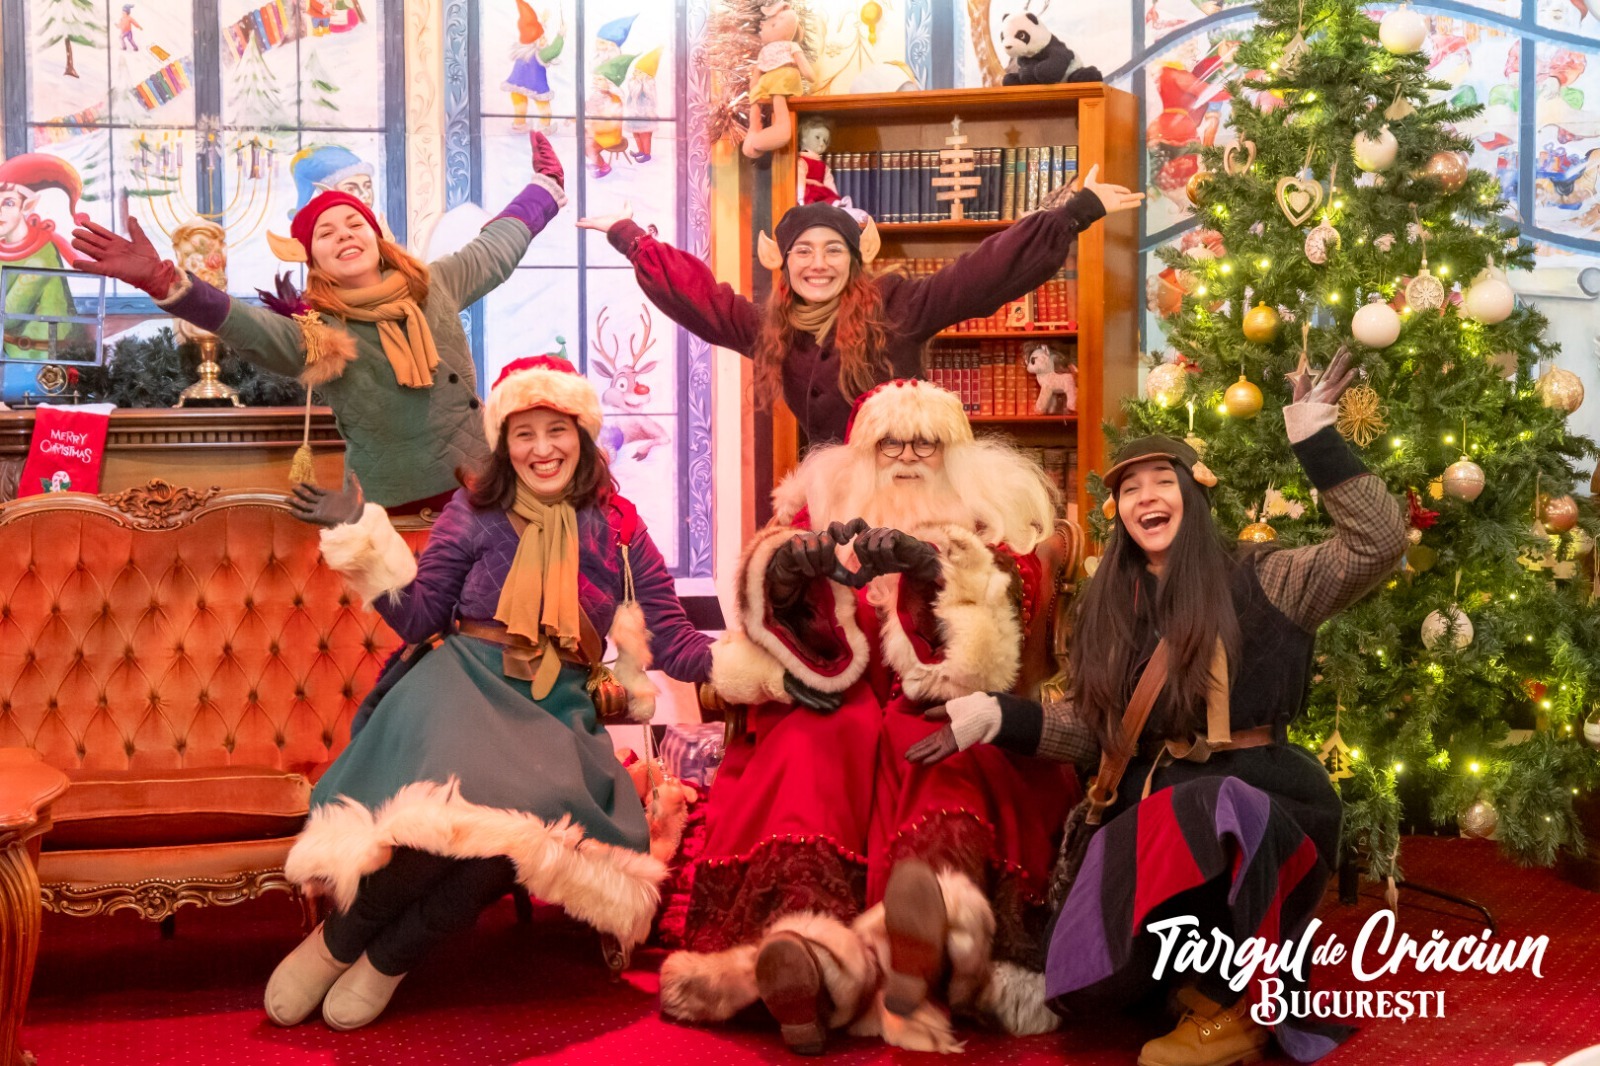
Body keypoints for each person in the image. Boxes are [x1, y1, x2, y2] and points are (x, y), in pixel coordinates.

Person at [919, 351, 1406, 1066]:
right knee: (1086, 976)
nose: (1145, 496)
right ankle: (1170, 981)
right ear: (1117, 510)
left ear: (1193, 494)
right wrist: (997, 716)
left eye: (1161, 480)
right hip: (1151, 810)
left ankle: (1240, 1008)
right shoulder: (1111, 606)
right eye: (1129, 487)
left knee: (1209, 804)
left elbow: (1379, 544)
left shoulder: (1268, 577)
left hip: (1263, 805)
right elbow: (1097, 732)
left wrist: (1315, 437)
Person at [262, 355, 714, 1031]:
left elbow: (673, 636)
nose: (541, 448)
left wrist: (751, 664)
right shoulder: (473, 512)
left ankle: (388, 956)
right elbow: (420, 616)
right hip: (464, 685)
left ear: (582, 434)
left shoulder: (620, 526)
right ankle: (338, 943)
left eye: (556, 430)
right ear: (504, 443)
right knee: (448, 825)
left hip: (554, 709)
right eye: (524, 433)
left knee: (516, 842)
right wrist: (360, 531)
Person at [660, 378, 1081, 1053]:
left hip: (944, 704)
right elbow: (766, 615)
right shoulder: (817, 518)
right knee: (809, 750)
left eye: (926, 444)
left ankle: (920, 946)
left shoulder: (991, 525)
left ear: (955, 454)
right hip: (839, 701)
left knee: (943, 768)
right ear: (864, 453)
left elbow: (1003, 635)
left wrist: (935, 572)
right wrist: (793, 575)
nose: (908, 457)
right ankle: (805, 952)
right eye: (891, 444)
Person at [70, 134, 569, 514]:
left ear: (376, 237)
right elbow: (247, 326)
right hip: (388, 514)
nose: (345, 235)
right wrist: (166, 281)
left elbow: (496, 247)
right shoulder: (317, 332)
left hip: (482, 495)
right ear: (314, 259)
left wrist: (544, 188)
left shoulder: (433, 285)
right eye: (326, 233)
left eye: (355, 225)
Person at [578, 169, 1140, 448]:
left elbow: (979, 274)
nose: (817, 264)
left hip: (912, 488)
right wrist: (631, 237)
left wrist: (1074, 213)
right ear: (784, 263)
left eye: (832, 251)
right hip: (831, 502)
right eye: (803, 252)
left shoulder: (899, 307)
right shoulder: (770, 328)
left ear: (854, 260)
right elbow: (700, 298)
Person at [0, 153, 84, 364]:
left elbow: (8, 318)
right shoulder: (4, 251)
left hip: (45, 360)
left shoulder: (40, 258)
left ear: (27, 205)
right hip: (11, 355)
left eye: (8, 203)